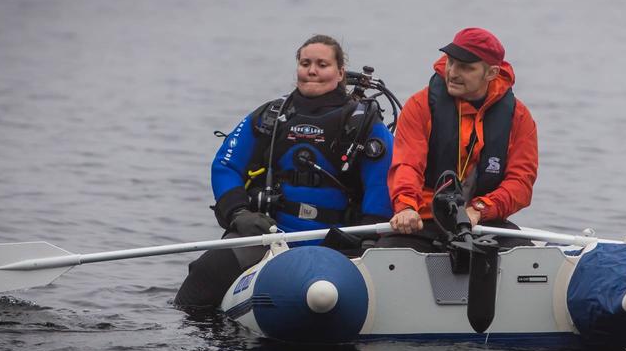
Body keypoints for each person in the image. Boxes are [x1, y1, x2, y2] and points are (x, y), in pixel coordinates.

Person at [175, 35, 394, 308]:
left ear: (339, 73)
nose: (312, 70)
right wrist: (239, 214)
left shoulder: (364, 125)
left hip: (340, 244)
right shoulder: (271, 116)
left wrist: (365, 239)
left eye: (322, 64)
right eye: (305, 63)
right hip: (269, 236)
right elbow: (225, 165)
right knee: (202, 279)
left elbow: (381, 185)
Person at [379, 27, 538, 252]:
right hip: (424, 218)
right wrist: (406, 207)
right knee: (389, 253)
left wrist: (481, 209)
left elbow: (521, 182)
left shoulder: (519, 117)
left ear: (491, 73)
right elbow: (407, 165)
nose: (453, 72)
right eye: (451, 62)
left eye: (465, 67)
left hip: (482, 220)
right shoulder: (419, 105)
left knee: (526, 257)